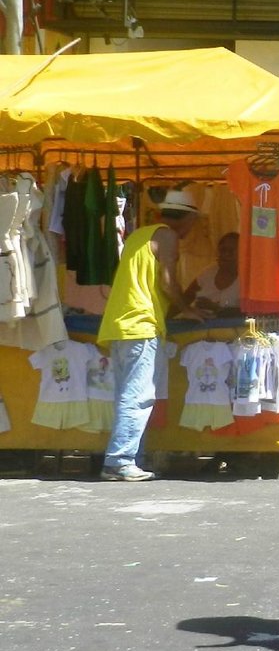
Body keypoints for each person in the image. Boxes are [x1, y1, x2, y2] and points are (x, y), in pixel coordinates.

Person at [96, 190, 204, 481]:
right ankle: (119, 460)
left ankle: (131, 457)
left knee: (126, 395)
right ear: (190, 218)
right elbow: (167, 282)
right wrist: (187, 309)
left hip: (121, 323)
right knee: (139, 395)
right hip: (140, 324)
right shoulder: (166, 236)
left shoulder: (138, 236)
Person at [183, 231, 240, 315]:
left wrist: (217, 309)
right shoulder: (208, 274)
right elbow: (184, 300)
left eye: (231, 251)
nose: (225, 254)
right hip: (203, 327)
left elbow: (252, 313)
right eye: (222, 250)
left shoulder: (249, 279)